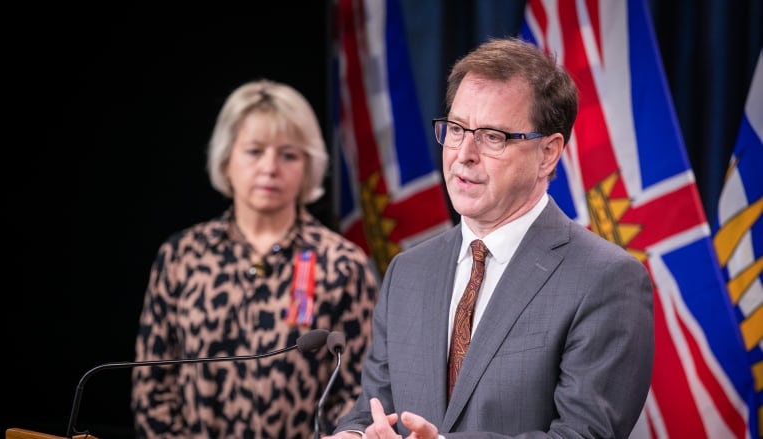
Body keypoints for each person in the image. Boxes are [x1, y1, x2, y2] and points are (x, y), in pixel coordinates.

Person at [327, 37, 655, 438]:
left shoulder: (606, 280)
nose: (463, 153)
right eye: (456, 129)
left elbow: (582, 434)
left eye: (491, 136)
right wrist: (353, 434)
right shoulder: (407, 272)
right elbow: (373, 409)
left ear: (549, 153)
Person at [131, 79, 379, 438]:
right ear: (226, 158)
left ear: (308, 166)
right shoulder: (181, 256)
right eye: (254, 151)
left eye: (288, 154)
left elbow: (358, 393)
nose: (270, 167)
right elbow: (151, 388)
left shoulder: (343, 265)